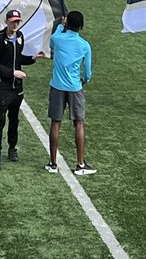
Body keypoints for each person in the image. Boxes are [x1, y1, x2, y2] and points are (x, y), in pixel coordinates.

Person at [0, 9, 45, 169]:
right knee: (0, 120)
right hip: (2, 86)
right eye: (12, 21)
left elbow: (18, 59)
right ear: (6, 22)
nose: (15, 24)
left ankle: (12, 148)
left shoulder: (20, 37)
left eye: (17, 21)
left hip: (16, 87)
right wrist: (12, 73)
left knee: (14, 119)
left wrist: (32, 58)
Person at [46, 10, 94, 176]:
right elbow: (87, 73)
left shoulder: (57, 39)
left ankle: (53, 163)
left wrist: (61, 26)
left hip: (57, 86)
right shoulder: (84, 45)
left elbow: (53, 41)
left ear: (67, 23)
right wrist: (84, 80)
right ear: (81, 26)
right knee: (79, 123)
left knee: (55, 122)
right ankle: (80, 164)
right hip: (75, 88)